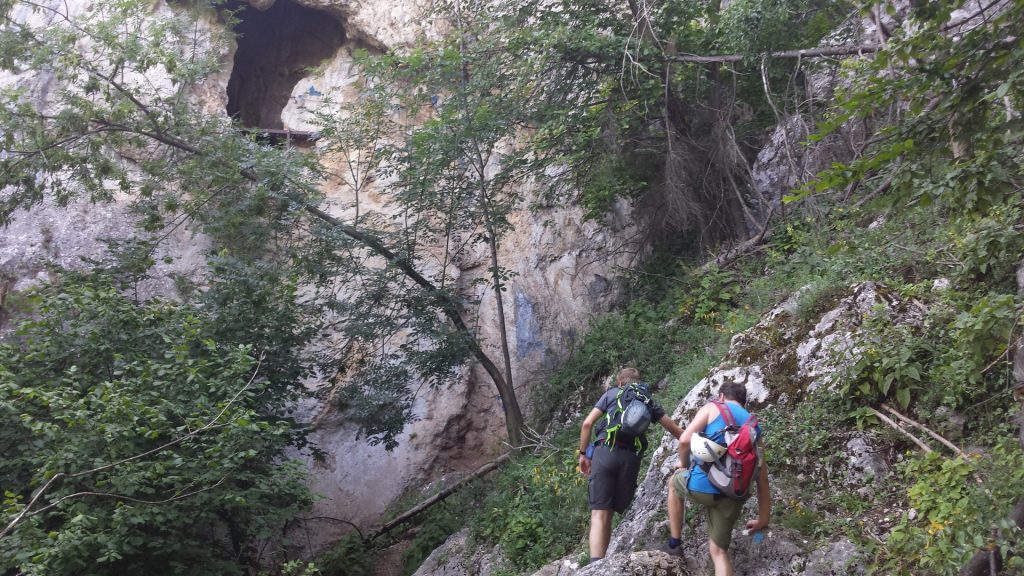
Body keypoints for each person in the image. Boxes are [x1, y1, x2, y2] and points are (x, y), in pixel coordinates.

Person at [661, 381, 770, 576]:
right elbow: (762, 478)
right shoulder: (753, 426)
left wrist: (683, 465)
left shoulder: (714, 407)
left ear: (721, 396)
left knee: (674, 483)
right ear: (744, 403)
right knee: (719, 552)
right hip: (733, 494)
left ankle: (675, 544)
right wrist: (763, 518)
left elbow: (685, 440)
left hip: (700, 488)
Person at [578, 367, 683, 564]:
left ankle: (595, 566)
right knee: (608, 514)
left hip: (605, 453)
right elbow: (676, 431)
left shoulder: (611, 394)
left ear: (619, 383)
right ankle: (602, 564)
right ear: (638, 382)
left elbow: (587, 424)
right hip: (630, 459)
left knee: (600, 513)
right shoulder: (645, 399)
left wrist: (583, 454)